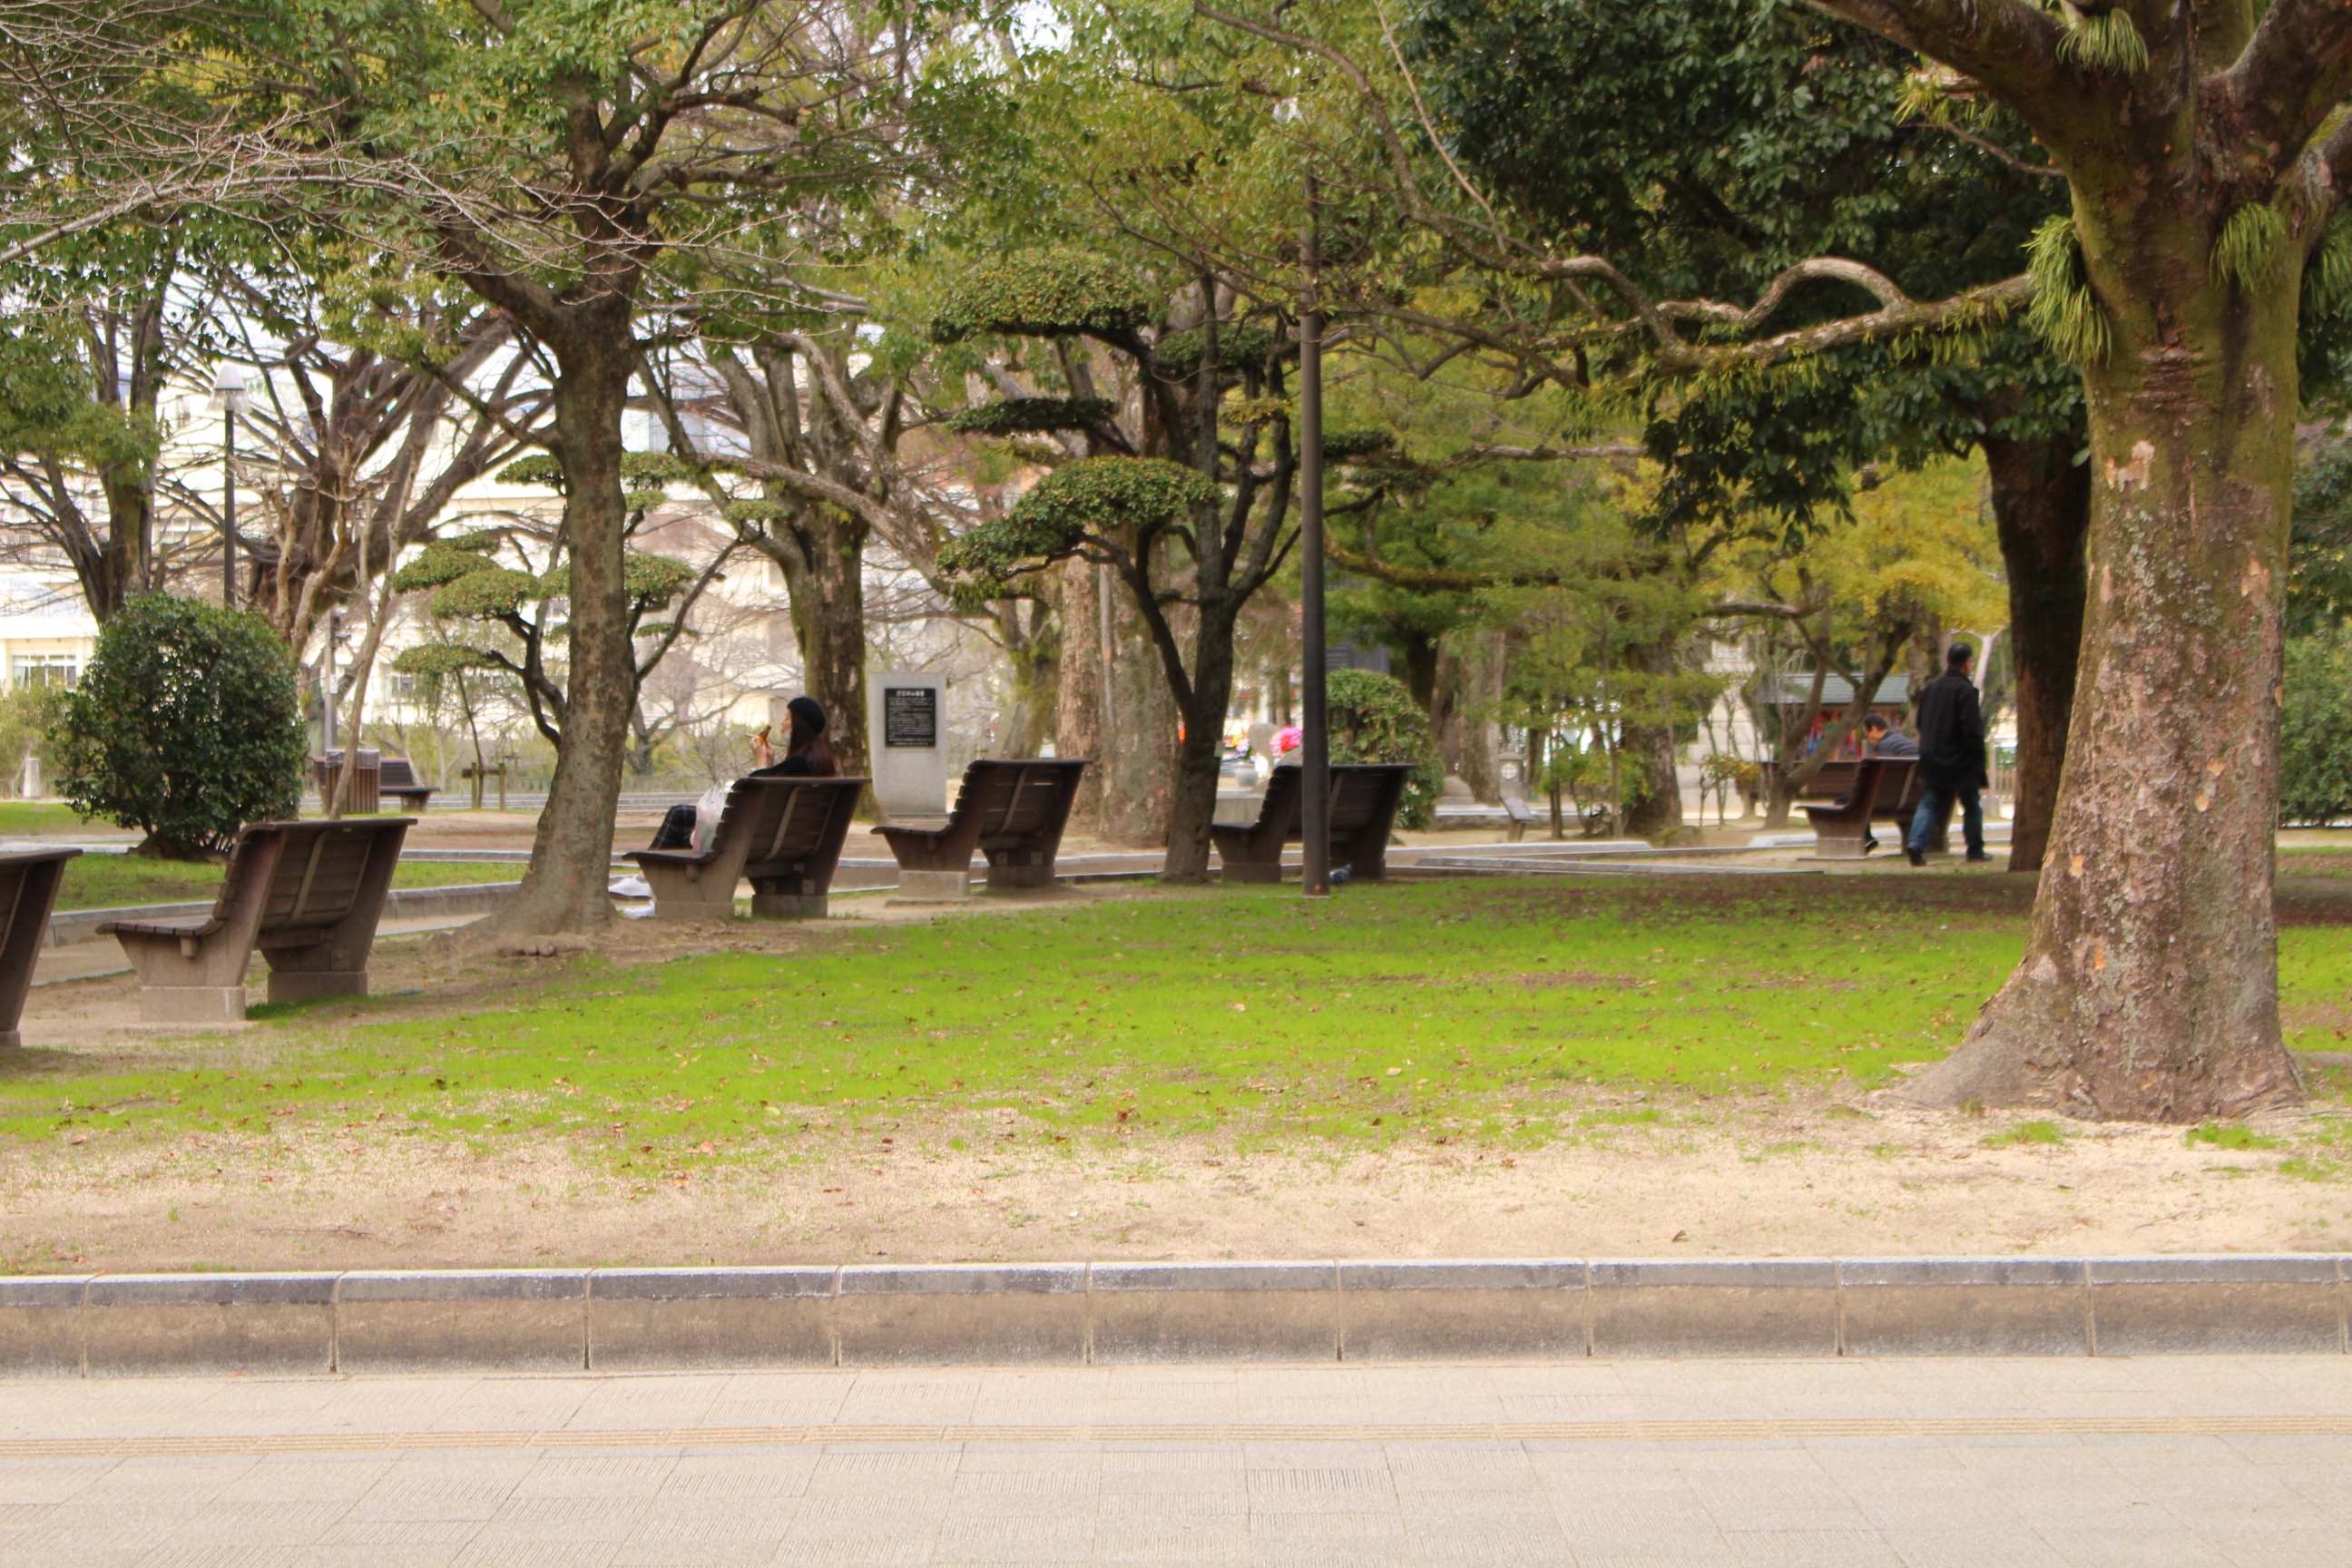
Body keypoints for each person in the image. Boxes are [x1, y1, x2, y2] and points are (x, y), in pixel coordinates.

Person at [646, 696, 839, 852]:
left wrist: (760, 761)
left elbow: (754, 795)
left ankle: (645, 876)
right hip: (789, 840)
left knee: (679, 814)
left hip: (758, 839)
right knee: (687, 821)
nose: (782, 723)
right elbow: (775, 792)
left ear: (800, 724)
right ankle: (651, 879)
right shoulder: (817, 760)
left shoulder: (799, 762)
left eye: (788, 717)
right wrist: (771, 764)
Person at [1906, 643, 1990, 866]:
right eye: (1971, 661)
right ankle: (1974, 849)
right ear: (1966, 664)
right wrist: (1978, 756)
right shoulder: (1966, 691)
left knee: (1930, 802)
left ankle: (1916, 842)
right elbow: (1971, 727)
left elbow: (1921, 722)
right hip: (1961, 758)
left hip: (1932, 755)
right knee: (1971, 804)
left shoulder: (1930, 689)